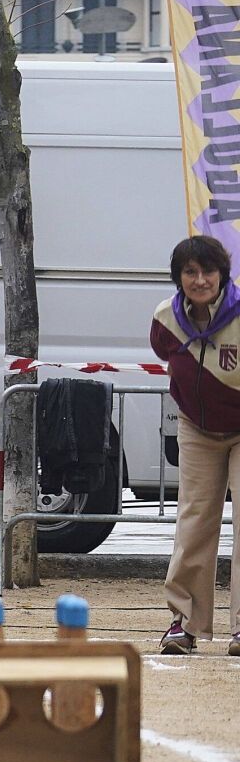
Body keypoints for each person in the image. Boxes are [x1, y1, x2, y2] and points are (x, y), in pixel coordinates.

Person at [150, 234, 240, 654]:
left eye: (208, 271)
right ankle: (184, 623)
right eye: (190, 272)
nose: (200, 280)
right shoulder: (164, 318)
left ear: (223, 275)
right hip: (197, 427)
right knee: (194, 522)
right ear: (179, 278)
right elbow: (164, 355)